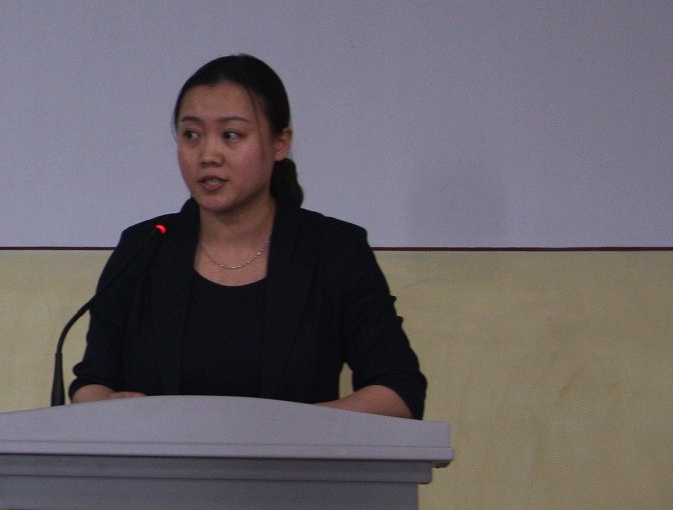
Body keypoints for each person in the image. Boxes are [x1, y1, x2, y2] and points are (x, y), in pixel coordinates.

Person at [69, 54, 425, 417]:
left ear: (280, 143)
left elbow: (399, 391)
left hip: (295, 455)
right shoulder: (143, 248)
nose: (208, 155)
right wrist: (108, 407)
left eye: (231, 135)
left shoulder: (334, 250)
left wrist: (293, 430)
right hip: (158, 455)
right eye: (191, 135)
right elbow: (92, 382)